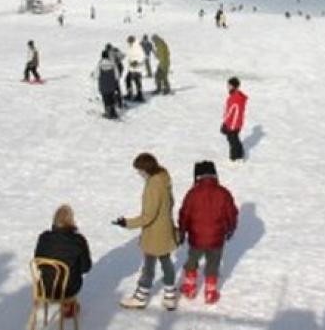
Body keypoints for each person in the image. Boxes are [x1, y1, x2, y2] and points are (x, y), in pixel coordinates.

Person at [114, 153, 178, 310]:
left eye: (139, 170)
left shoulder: (153, 185)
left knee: (149, 265)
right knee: (166, 262)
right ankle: (170, 295)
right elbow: (171, 202)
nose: (139, 173)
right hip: (166, 229)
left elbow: (148, 216)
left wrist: (127, 223)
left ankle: (140, 296)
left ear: (145, 169)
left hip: (154, 233)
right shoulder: (164, 179)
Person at [177, 160, 239, 305]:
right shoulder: (223, 192)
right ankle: (210, 292)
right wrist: (231, 228)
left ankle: (190, 287)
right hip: (216, 238)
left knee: (192, 261)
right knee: (213, 263)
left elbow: (184, 214)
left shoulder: (192, 193)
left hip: (196, 238)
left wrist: (182, 230)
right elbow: (232, 213)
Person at [33, 204, 92, 318]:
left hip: (45, 287)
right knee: (70, 276)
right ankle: (68, 304)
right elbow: (86, 267)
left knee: (57, 275)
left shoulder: (44, 238)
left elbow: (38, 262)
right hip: (68, 288)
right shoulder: (78, 240)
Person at [222, 77, 248, 162]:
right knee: (235, 139)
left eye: (229, 85)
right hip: (237, 123)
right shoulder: (237, 95)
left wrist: (225, 124)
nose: (227, 86)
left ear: (233, 86)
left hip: (233, 124)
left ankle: (234, 158)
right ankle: (240, 154)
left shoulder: (234, 97)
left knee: (232, 141)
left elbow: (231, 112)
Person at [96, 47, 121, 119]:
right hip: (112, 85)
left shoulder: (99, 64)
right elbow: (117, 75)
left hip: (103, 86)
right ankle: (114, 112)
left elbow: (96, 75)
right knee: (111, 98)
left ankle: (108, 113)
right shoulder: (113, 64)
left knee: (106, 99)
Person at [123, 36, 146, 102]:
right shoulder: (131, 47)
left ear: (132, 41)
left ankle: (139, 95)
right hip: (131, 68)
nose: (128, 43)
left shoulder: (138, 47)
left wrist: (136, 62)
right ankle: (132, 94)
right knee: (128, 80)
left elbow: (143, 56)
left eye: (129, 41)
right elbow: (129, 55)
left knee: (136, 81)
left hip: (137, 68)